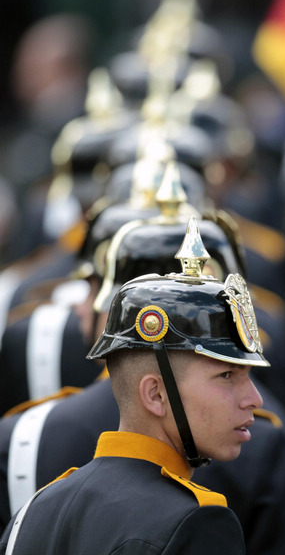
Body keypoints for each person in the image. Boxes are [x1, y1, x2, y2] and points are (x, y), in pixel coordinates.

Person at [0, 216, 269, 554]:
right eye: (226, 376)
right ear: (155, 395)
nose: (254, 399)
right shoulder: (197, 524)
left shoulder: (35, 510)